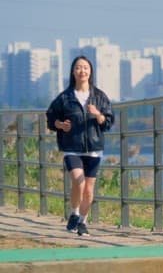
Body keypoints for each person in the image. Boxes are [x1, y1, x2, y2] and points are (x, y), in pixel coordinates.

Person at [46, 55, 114, 237]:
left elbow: (107, 122)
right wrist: (60, 125)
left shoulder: (99, 96)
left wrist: (98, 114)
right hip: (71, 147)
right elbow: (51, 118)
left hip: (94, 148)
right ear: (73, 72)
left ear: (90, 71)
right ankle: (74, 213)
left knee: (89, 189)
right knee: (78, 181)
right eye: (78, 67)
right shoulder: (65, 97)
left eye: (85, 67)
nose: (82, 71)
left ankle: (82, 221)